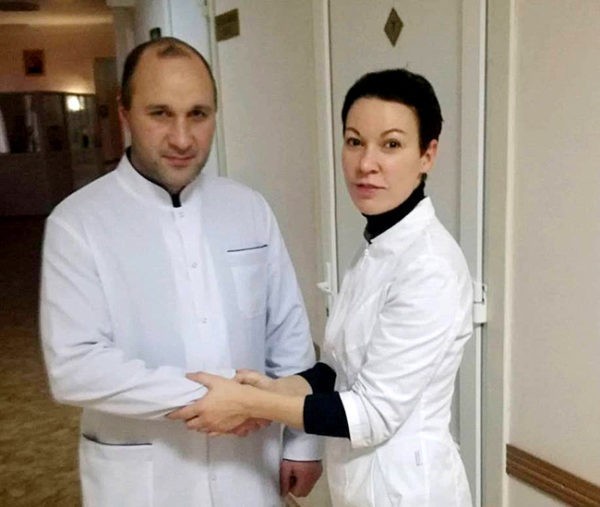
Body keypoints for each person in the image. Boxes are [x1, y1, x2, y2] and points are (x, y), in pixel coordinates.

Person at [168, 68, 474, 507]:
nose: (366, 163)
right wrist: (276, 389)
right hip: (362, 485)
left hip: (412, 490)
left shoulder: (430, 266)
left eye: (391, 144)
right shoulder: (378, 246)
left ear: (428, 154)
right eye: (354, 141)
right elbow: (337, 370)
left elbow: (373, 413)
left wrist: (249, 405)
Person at [39, 37, 322, 506]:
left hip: (247, 466)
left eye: (198, 114)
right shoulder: (78, 223)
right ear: (125, 112)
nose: (182, 138)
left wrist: (303, 441)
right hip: (144, 478)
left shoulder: (248, 209)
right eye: (160, 114)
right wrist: (212, 400)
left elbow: (287, 333)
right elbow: (75, 367)